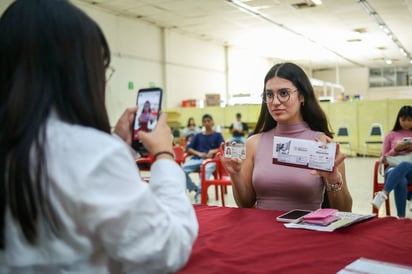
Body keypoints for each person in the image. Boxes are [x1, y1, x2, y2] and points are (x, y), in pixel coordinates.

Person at [0, 1, 198, 273]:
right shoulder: (88, 152)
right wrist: (164, 156)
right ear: (78, 72)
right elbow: (163, 251)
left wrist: (118, 142)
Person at [218, 62, 352, 211]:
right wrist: (235, 174)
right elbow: (245, 204)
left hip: (306, 231)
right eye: (269, 95)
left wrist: (333, 178)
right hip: (263, 231)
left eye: (283, 93)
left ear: (302, 96)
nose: (275, 102)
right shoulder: (254, 143)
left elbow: (345, 211)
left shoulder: (321, 144)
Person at [372, 105, 412, 217]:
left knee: (406, 164)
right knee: (401, 181)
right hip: (392, 168)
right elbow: (383, 158)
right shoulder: (391, 135)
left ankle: (384, 193)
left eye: (409, 120)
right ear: (398, 119)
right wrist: (395, 149)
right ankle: (401, 217)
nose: (406, 123)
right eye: (403, 119)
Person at [183, 114, 225, 202]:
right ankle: (196, 189)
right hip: (197, 159)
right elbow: (189, 148)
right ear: (202, 123)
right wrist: (198, 153)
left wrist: (212, 151)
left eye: (209, 121)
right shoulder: (198, 136)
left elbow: (223, 147)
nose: (207, 123)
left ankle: (200, 194)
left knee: (205, 168)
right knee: (180, 170)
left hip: (211, 161)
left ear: (212, 122)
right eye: (205, 121)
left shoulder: (218, 135)